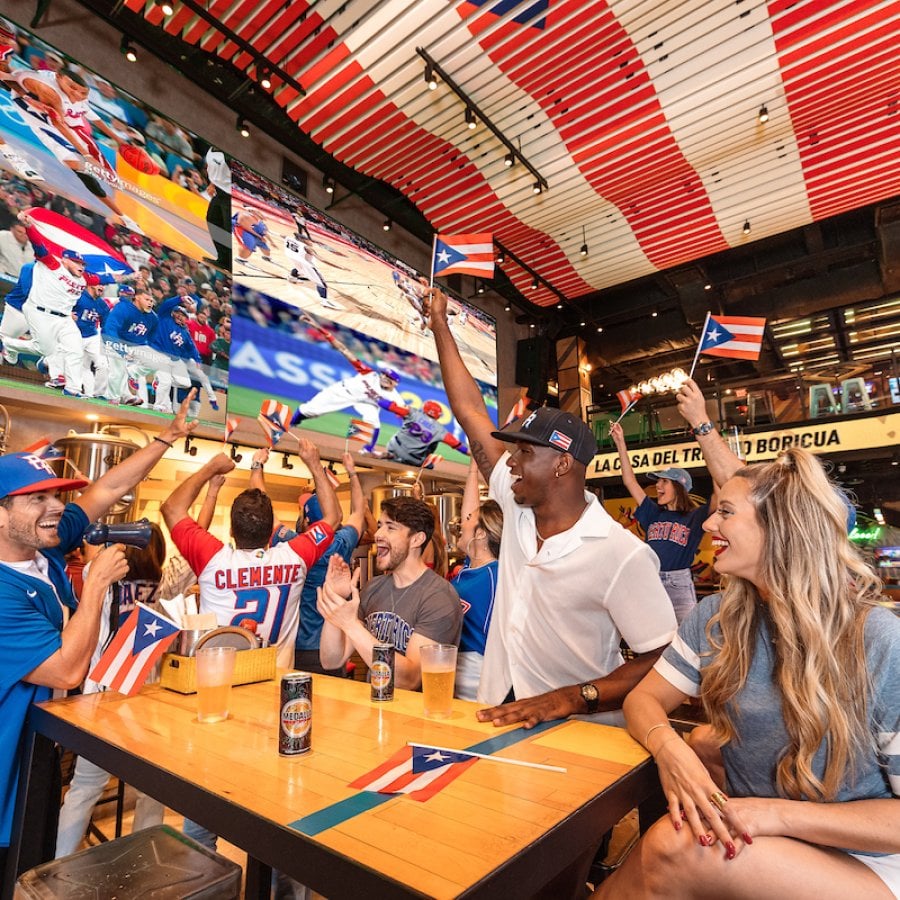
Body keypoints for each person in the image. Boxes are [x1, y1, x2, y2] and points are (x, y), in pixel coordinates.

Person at [593, 448, 900, 899]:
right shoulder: (717, 616)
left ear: (780, 528)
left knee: (672, 845)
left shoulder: (878, 638)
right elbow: (643, 700)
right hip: (777, 841)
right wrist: (668, 747)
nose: (711, 525)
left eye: (725, 513)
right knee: (692, 765)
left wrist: (770, 814)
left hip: (870, 861)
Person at [425, 285, 676, 729]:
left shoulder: (621, 554)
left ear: (562, 464)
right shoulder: (518, 506)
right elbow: (469, 413)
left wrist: (573, 697)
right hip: (500, 704)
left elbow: (661, 657)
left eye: (524, 452)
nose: (512, 463)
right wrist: (441, 325)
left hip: (580, 729)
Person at [0, 395, 196, 880]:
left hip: (40, 747)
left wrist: (165, 440)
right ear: (2, 514)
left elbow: (108, 487)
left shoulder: (42, 548)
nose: (57, 508)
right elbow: (67, 668)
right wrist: (96, 584)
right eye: (38, 499)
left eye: (55, 495)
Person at [160, 442, 340, 670]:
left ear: (231, 531)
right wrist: (314, 464)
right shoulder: (294, 557)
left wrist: (211, 468)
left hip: (220, 684)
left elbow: (172, 508)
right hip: (275, 685)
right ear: (271, 533)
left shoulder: (213, 558)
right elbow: (333, 517)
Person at [55, 524, 168, 857]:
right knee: (153, 788)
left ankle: (60, 865)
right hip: (146, 694)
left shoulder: (98, 574)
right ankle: (143, 859)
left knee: (85, 788)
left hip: (101, 694)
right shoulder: (160, 582)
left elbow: (90, 553)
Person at [318, 496, 462, 690]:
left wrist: (351, 625)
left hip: (414, 717)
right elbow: (331, 660)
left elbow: (409, 680)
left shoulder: (439, 597)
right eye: (379, 525)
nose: (377, 533)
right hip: (374, 711)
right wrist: (337, 599)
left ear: (417, 539)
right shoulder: (373, 588)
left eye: (390, 527)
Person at [249, 448, 367, 675]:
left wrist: (257, 466)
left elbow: (264, 510)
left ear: (306, 520)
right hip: (333, 646)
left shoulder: (294, 545)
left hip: (298, 648)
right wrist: (352, 474)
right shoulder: (342, 543)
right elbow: (359, 512)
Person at [610, 421, 716, 623]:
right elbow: (630, 482)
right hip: (651, 581)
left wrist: (707, 440)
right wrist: (620, 443)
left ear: (679, 487)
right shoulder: (653, 512)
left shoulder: (694, 517)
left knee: (687, 639)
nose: (657, 485)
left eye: (663, 481)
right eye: (658, 481)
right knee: (653, 639)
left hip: (680, 584)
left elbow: (719, 495)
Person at [290, 315, 402, 453]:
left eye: (389, 377)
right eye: (384, 374)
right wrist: (318, 327)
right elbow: (344, 350)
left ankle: (368, 449)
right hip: (343, 391)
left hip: (366, 402)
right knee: (310, 411)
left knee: (374, 421)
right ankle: (293, 421)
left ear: (395, 384)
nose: (384, 377)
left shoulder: (396, 398)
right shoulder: (369, 373)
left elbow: (404, 416)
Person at [452, 460, 503, 701]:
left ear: (481, 533)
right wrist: (472, 468)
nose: (461, 523)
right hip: (453, 670)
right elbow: (469, 514)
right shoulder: (468, 568)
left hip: (479, 677)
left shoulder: (497, 574)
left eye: (469, 520)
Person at [379, 399, 469, 467]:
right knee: (430, 464)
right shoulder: (441, 430)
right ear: (438, 415)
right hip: (413, 458)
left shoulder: (413, 412)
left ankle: (391, 455)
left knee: (402, 431)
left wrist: (378, 399)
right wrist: (474, 455)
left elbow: (388, 406)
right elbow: (460, 447)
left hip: (394, 446)